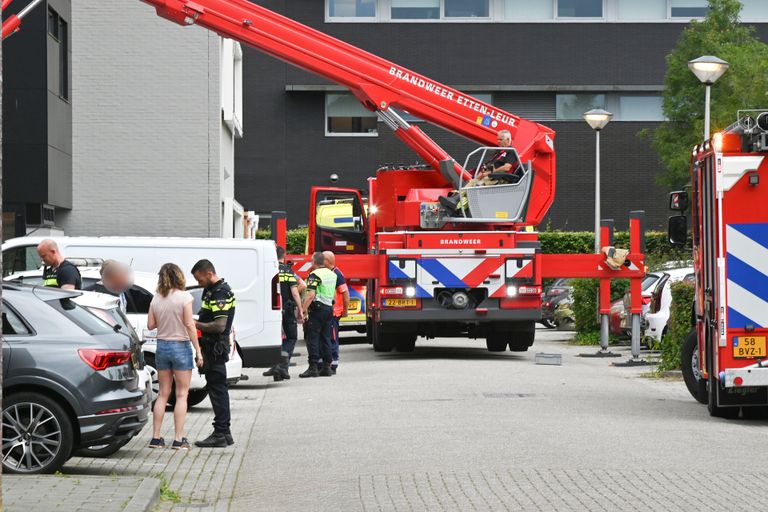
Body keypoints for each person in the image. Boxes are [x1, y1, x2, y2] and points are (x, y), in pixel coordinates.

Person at [147, 263, 203, 450]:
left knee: (163, 394)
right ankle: (178, 439)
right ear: (179, 276)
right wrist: (198, 350)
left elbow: (150, 325)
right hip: (181, 346)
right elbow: (189, 324)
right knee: (181, 394)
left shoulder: (156, 299)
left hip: (162, 346)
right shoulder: (185, 297)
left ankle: (156, 438)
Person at [192, 259, 235, 448]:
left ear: (209, 274)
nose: (199, 283)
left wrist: (193, 325)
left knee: (218, 390)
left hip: (216, 347)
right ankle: (225, 433)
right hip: (210, 347)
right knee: (216, 388)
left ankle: (220, 433)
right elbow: (206, 315)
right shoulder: (210, 291)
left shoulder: (221, 293)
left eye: (200, 279)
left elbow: (219, 325)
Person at [439, 129, 522, 213]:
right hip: (490, 176)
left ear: (508, 140)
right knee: (471, 183)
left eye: (500, 139)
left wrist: (488, 173)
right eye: (497, 139)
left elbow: (507, 168)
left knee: (476, 187)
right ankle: (455, 200)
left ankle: (458, 205)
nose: (498, 142)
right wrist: (483, 171)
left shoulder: (511, 152)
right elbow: (493, 165)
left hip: (498, 178)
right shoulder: (500, 152)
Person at [263, 246, 304, 381]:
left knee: (275, 339)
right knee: (291, 338)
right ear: (284, 256)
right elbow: (295, 292)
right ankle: (283, 366)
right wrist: (301, 310)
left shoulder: (267, 270)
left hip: (270, 310)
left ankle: (277, 366)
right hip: (287, 310)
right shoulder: (288, 271)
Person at [299, 252, 337, 378]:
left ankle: (313, 367)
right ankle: (327, 367)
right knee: (326, 337)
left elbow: (310, 295)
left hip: (317, 310)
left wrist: (303, 310)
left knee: (313, 338)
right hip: (329, 309)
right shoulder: (332, 274)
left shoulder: (314, 275)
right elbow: (334, 295)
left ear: (314, 262)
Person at [323, 251, 349, 375]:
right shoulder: (330, 273)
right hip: (329, 312)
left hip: (334, 313)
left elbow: (345, 293)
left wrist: (345, 311)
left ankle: (333, 363)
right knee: (327, 338)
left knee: (332, 338)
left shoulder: (337, 274)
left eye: (322, 260)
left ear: (327, 261)